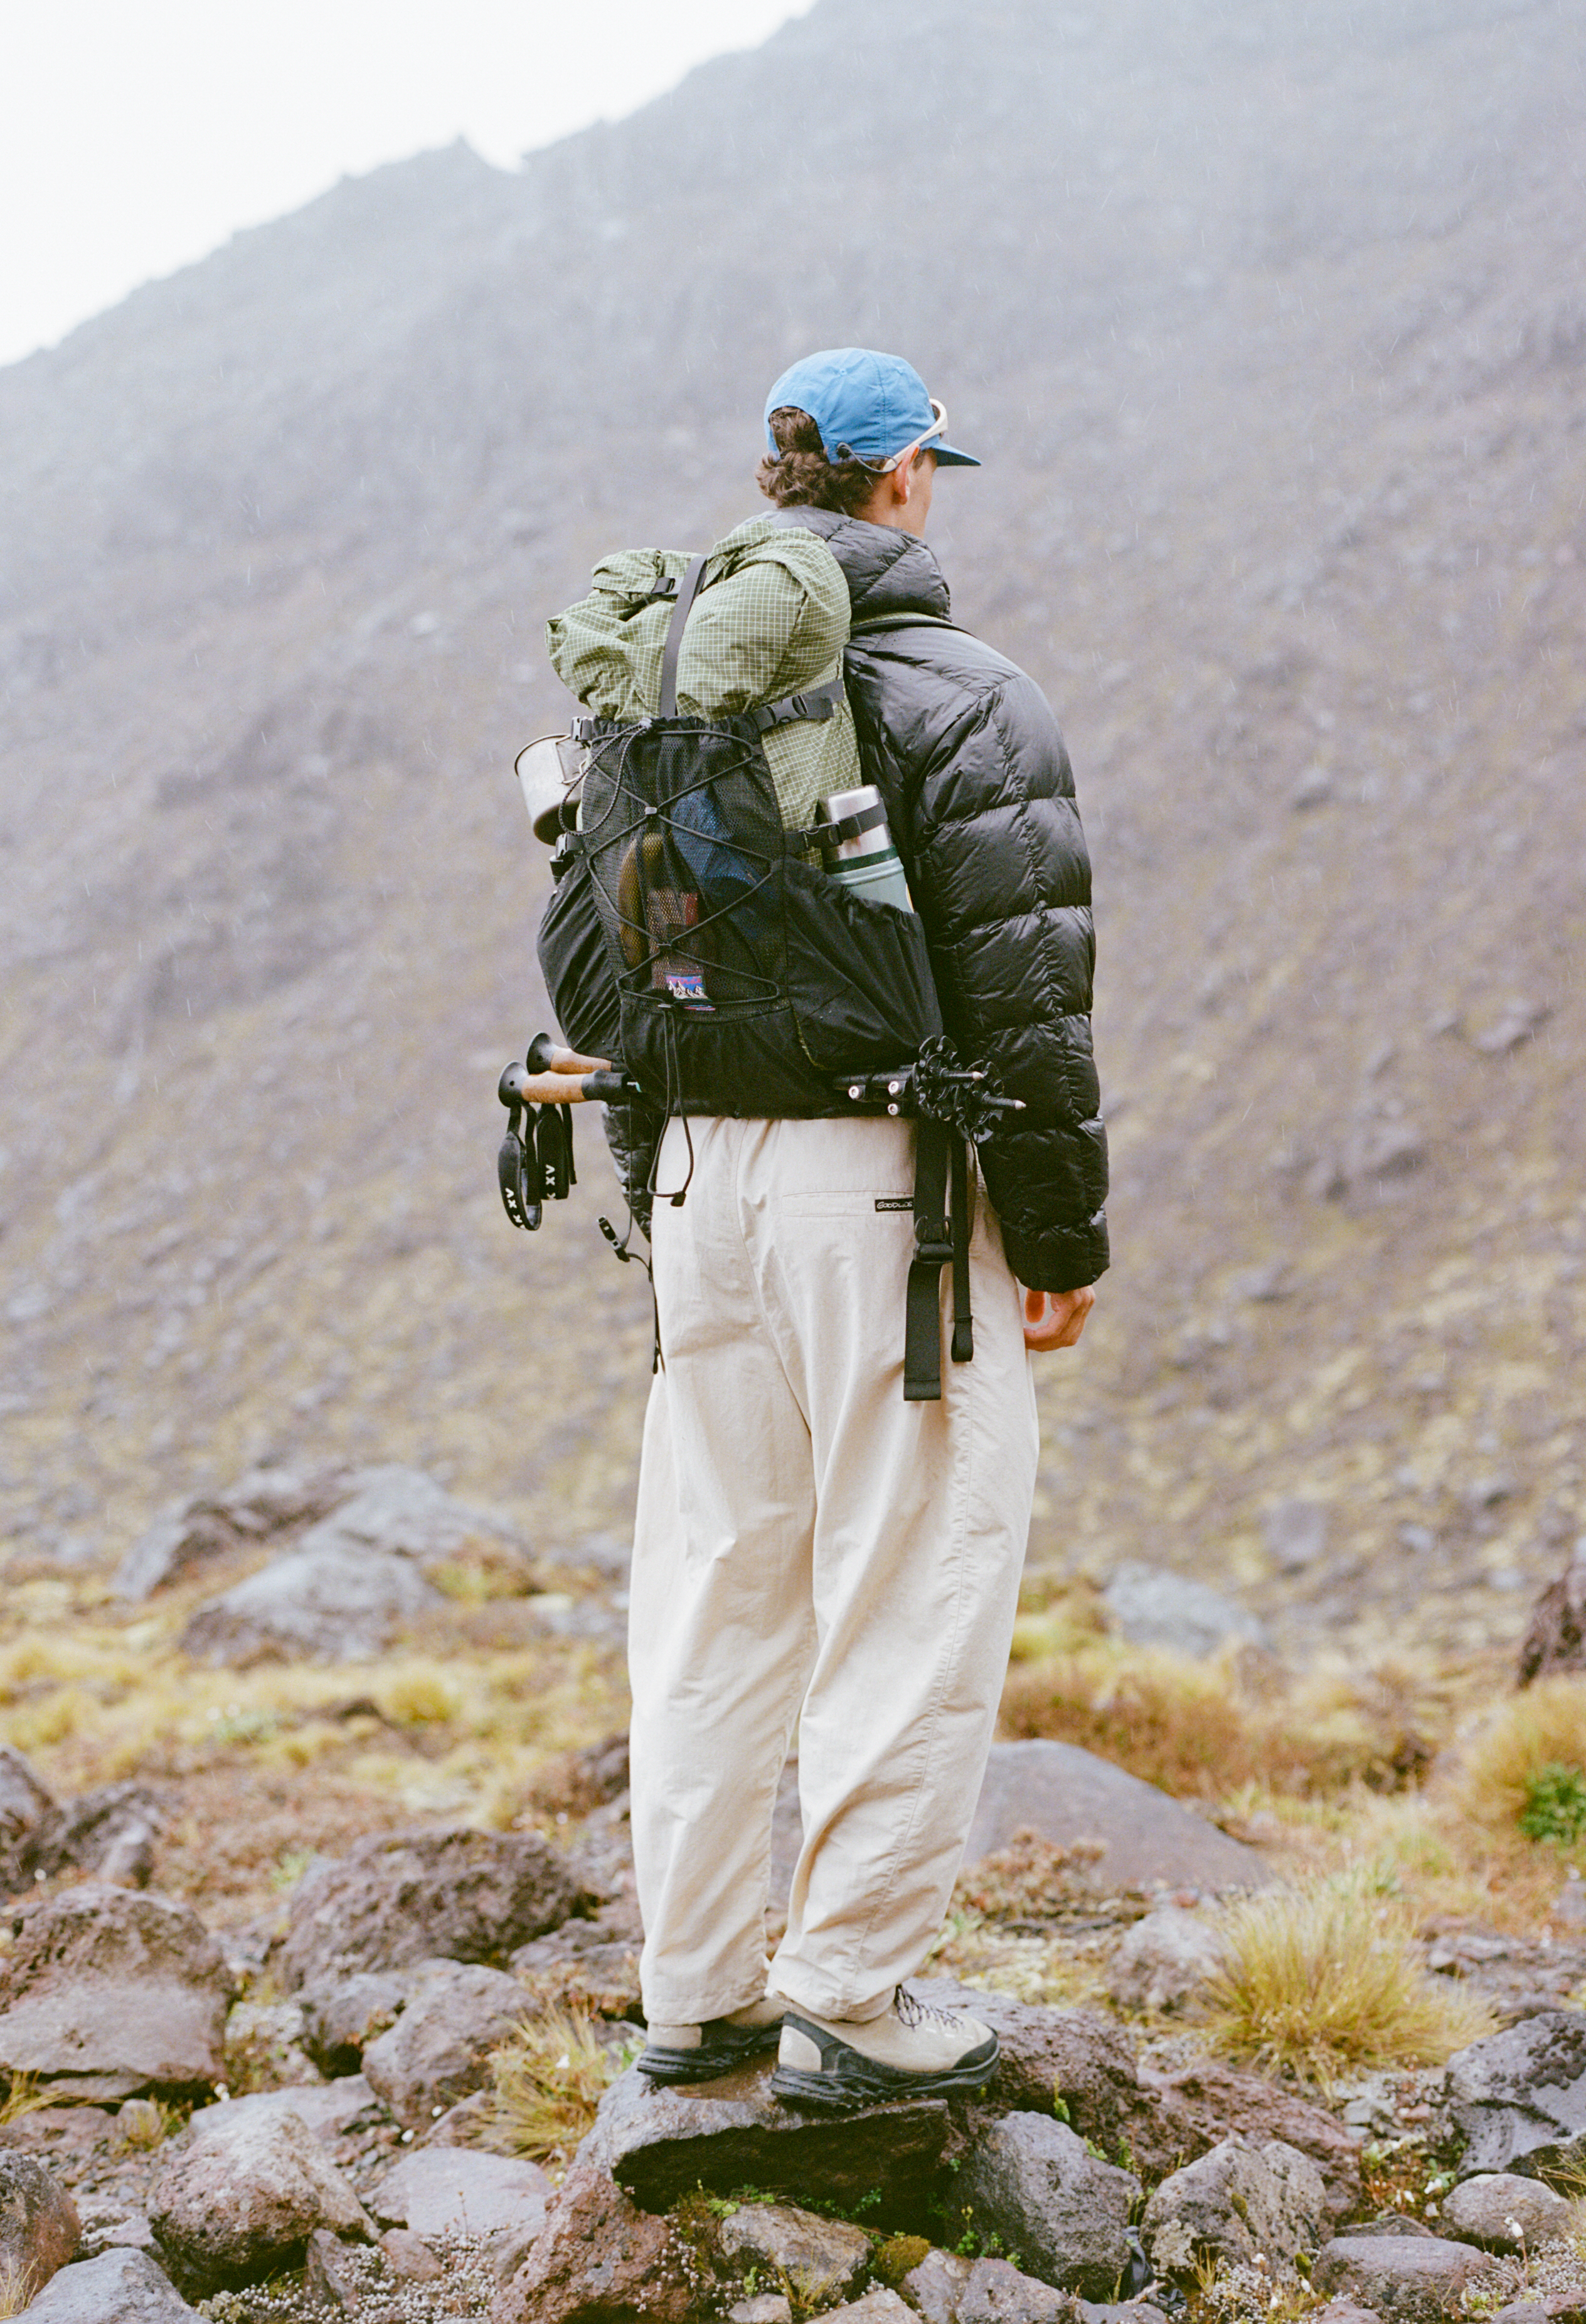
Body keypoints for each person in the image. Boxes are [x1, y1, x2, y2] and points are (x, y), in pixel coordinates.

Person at [522, 347, 1108, 2108]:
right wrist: (1062, 1245)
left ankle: (693, 2004)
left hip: (699, 1189)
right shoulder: (963, 697)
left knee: (714, 1598)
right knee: (909, 1586)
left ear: (779, 488)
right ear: (906, 476)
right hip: (892, 1209)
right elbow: (1031, 1004)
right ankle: (852, 1990)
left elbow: (611, 972)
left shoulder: (665, 708)